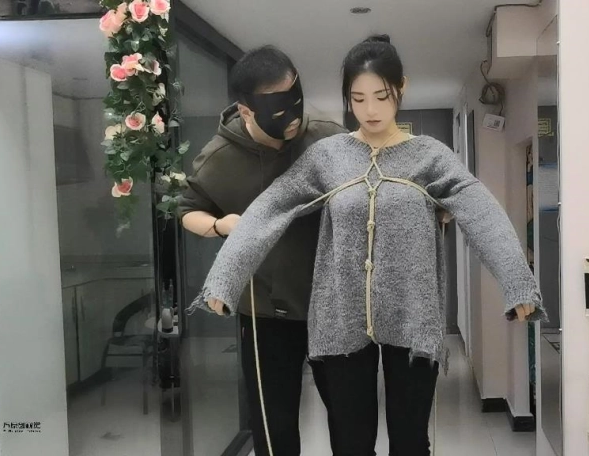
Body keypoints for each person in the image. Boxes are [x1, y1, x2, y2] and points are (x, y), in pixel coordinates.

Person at [191, 35, 546, 456]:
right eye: (358, 99)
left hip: (412, 317)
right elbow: (270, 208)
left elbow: (481, 212)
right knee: (351, 443)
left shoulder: (429, 156)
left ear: (401, 88)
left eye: (381, 96)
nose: (371, 110)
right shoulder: (327, 156)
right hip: (340, 321)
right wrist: (225, 279)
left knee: (410, 442)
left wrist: (517, 283)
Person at [177, 45, 346, 456]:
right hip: (265, 314)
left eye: (295, 101)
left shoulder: (328, 137)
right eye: (278, 109)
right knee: (274, 430)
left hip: (334, 305)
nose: (292, 118)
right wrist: (221, 226)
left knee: (350, 423)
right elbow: (186, 211)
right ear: (246, 110)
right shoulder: (217, 159)